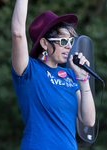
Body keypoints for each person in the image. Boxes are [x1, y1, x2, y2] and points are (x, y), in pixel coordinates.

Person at [11, 0, 95, 149]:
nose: (69, 46)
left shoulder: (71, 75)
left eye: (70, 40)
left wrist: (83, 78)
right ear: (44, 43)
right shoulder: (30, 70)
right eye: (63, 41)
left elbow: (88, 121)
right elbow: (18, 34)